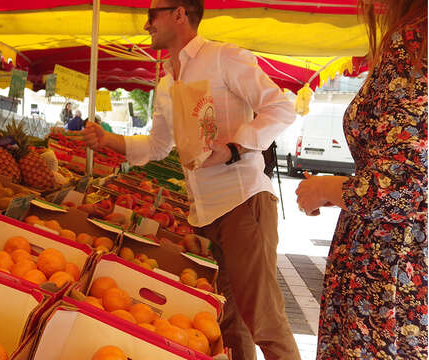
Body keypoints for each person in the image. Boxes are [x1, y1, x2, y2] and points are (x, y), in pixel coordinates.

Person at [82, 1, 299, 359]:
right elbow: (157, 145)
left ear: (179, 14)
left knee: (264, 320)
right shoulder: (166, 82)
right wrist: (108, 140)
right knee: (230, 322)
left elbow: (281, 107)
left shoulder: (224, 58)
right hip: (206, 215)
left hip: (243, 202)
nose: (146, 23)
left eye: (153, 14)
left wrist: (232, 148)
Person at [295, 1, 427, 358]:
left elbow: (405, 181)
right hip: (393, 268)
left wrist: (324, 188)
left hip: (390, 272)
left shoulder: (415, 41)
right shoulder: (411, 38)